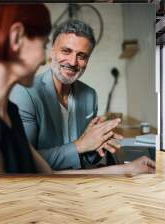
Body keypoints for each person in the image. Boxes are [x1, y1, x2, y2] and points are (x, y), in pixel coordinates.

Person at [0, 3, 155, 175]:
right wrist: (81, 145)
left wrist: (127, 169)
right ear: (16, 38)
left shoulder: (8, 113)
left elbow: (45, 175)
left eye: (82, 56)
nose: (44, 58)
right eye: (44, 45)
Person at [10, 20, 122, 170]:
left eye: (81, 56)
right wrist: (79, 145)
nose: (72, 62)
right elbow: (23, 160)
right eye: (66, 51)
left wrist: (99, 142)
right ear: (52, 52)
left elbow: (86, 156)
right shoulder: (25, 92)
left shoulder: (90, 95)